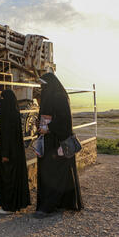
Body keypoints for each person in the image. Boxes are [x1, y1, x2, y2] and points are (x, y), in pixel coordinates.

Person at [34, 73, 83, 218]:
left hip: (57, 142)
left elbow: (65, 122)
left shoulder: (60, 97)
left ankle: (49, 206)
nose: (42, 88)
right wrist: (39, 124)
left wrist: (48, 128)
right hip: (48, 142)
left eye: (44, 85)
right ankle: (60, 202)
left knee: (54, 174)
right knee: (53, 173)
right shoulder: (49, 97)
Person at [0, 89, 30, 214]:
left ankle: (9, 206)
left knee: (8, 177)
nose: (0, 101)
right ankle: (13, 204)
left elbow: (8, 137)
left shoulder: (7, 116)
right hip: (14, 153)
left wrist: (5, 154)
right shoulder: (13, 113)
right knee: (12, 177)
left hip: (8, 154)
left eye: (2, 99)